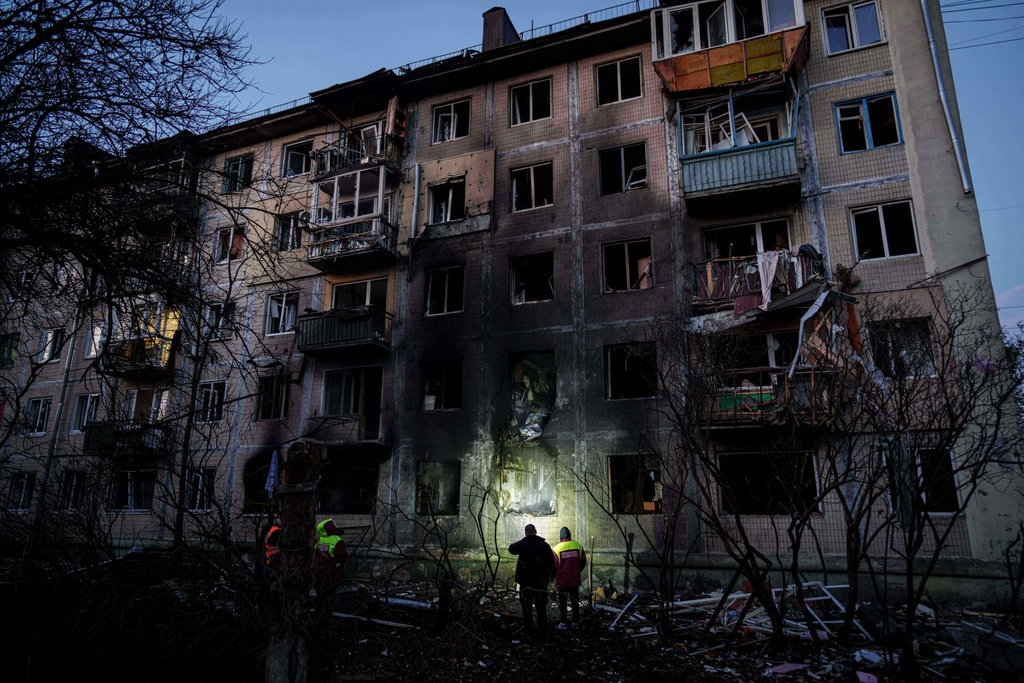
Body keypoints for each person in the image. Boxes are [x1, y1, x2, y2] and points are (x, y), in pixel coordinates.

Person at [508, 523, 556, 637]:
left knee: (526, 605)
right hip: (540, 582)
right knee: (541, 606)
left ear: (526, 533)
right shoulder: (544, 546)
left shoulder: (522, 545)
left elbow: (511, 548)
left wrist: (524, 540)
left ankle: (528, 629)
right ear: (536, 532)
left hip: (526, 582)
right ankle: (542, 629)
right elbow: (551, 562)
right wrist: (552, 576)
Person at [552, 526, 586, 629]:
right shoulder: (578, 546)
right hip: (574, 580)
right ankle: (576, 622)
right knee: (574, 601)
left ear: (560, 537)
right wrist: (577, 571)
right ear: (570, 536)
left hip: (562, 581)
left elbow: (554, 565)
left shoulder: (556, 548)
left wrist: (554, 577)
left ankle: (563, 622)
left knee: (563, 602)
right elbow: (583, 562)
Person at [313, 518, 349, 594]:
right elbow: (342, 557)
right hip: (333, 576)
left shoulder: (319, 540)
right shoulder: (337, 540)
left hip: (318, 576)